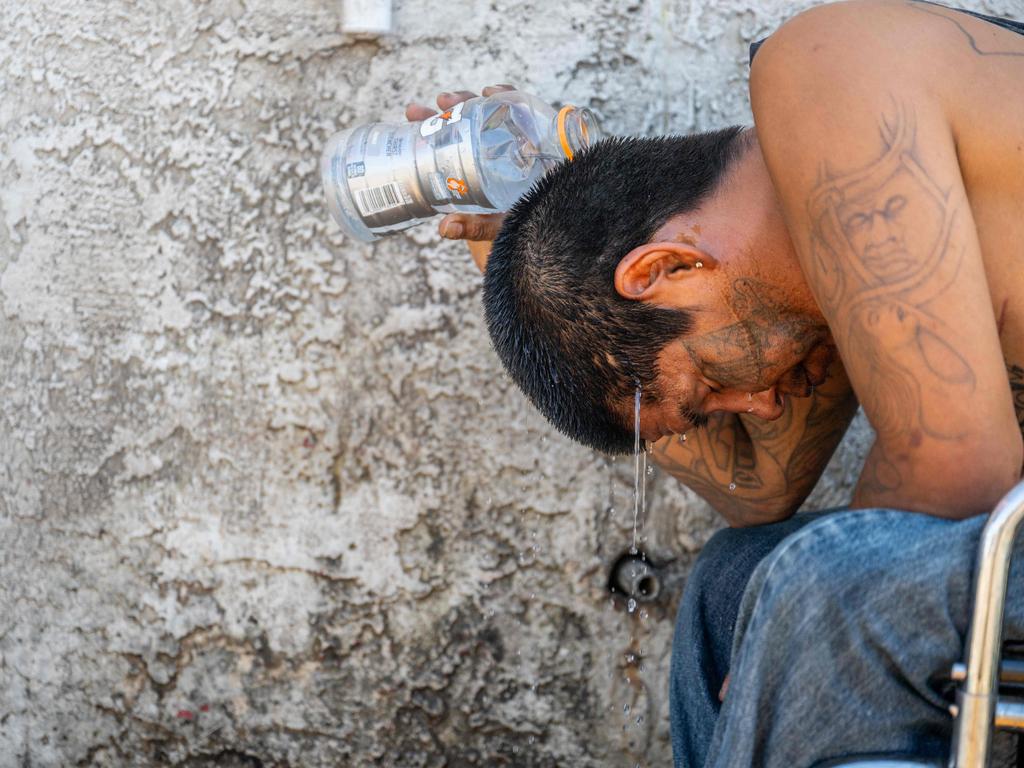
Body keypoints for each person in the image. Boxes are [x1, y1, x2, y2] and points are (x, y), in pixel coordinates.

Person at [405, 1, 1024, 765]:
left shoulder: (826, 72)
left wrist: (796, 625)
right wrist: (519, 245)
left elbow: (960, 464)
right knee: (737, 577)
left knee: (816, 586)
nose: (759, 404)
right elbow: (758, 490)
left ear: (664, 268)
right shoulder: (817, 265)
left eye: (709, 383)